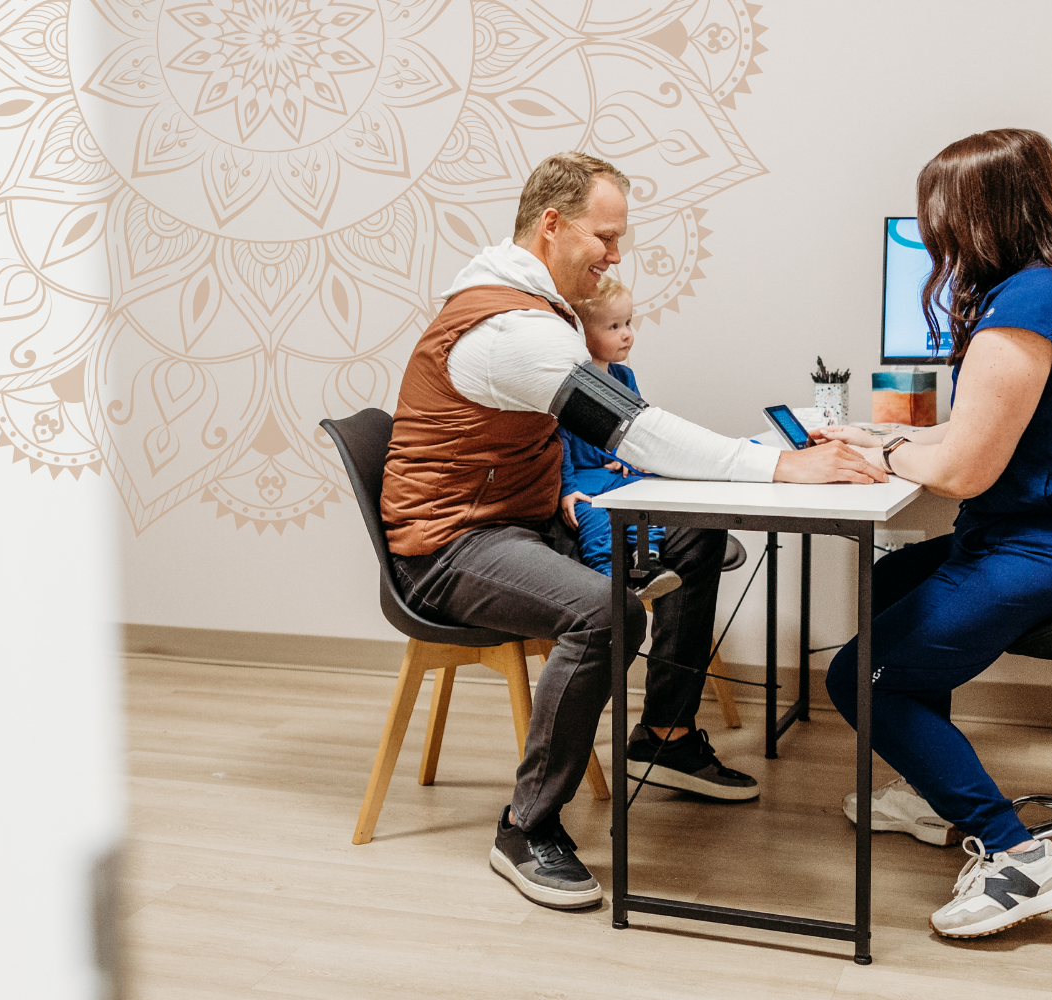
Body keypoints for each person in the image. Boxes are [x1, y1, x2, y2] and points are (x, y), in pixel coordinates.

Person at [380, 151, 887, 911]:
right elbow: (632, 433)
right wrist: (779, 471)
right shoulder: (510, 330)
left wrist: (756, 463)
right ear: (551, 226)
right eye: (605, 237)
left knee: (696, 534)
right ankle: (526, 826)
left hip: (529, 520)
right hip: (456, 544)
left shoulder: (534, 309)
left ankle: (667, 734)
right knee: (605, 613)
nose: (616, 256)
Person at [813, 129, 1052, 940]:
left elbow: (970, 471)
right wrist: (890, 442)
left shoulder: (1026, 306)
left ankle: (1016, 858)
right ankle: (929, 788)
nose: (932, 234)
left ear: (982, 215)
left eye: (940, 215)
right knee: (894, 582)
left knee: (862, 678)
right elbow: (993, 431)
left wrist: (895, 450)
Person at [556, 276, 681, 601]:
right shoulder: (567, 384)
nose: (627, 333)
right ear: (581, 335)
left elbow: (636, 429)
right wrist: (569, 490)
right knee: (593, 518)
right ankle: (610, 584)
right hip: (583, 480)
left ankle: (646, 562)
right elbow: (560, 443)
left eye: (627, 322)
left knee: (649, 500)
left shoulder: (624, 377)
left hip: (614, 474)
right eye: (614, 327)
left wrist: (626, 461)